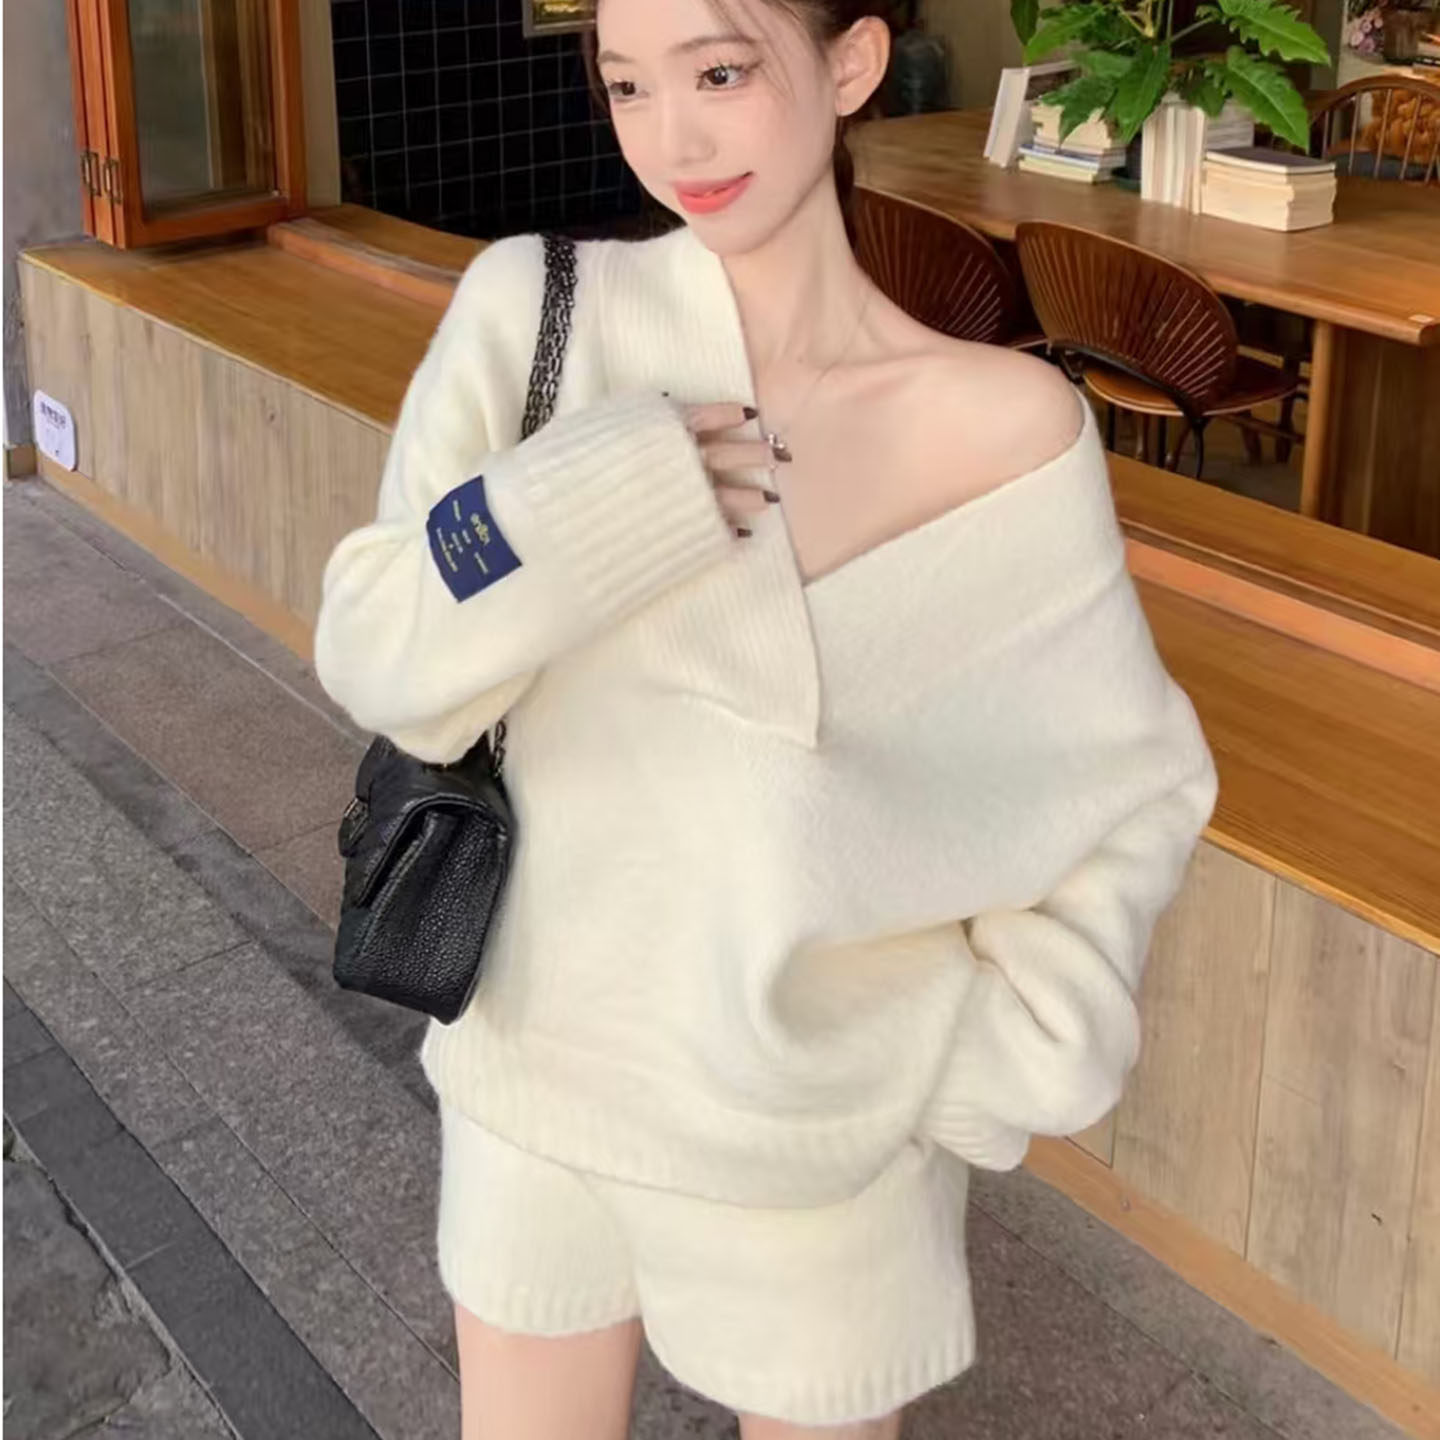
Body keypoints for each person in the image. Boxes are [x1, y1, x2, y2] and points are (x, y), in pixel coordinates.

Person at [312, 1, 1219, 1436]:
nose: (673, 138)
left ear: (851, 62)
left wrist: (998, 1057)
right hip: (536, 1087)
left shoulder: (1002, 427)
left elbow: (1129, 789)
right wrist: (585, 502)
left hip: (825, 1145)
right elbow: (379, 648)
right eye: (628, 84)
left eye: (722, 71)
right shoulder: (539, 313)